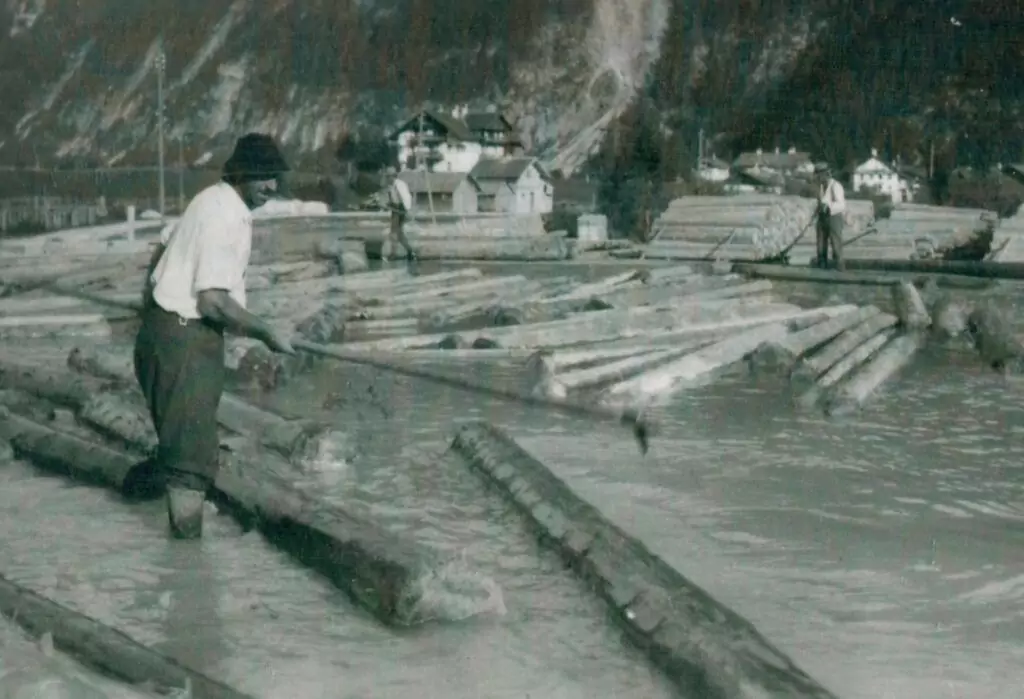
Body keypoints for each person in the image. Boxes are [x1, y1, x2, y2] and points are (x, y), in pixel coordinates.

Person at [133, 132, 297, 540]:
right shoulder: (226, 216)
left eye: (276, 178)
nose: (272, 188)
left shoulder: (210, 199)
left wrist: (152, 300)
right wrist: (266, 331)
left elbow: (164, 245)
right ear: (240, 172)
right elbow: (211, 301)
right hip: (185, 338)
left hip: (165, 331)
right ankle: (189, 569)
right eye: (263, 177)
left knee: (186, 446)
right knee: (191, 459)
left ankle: (176, 547)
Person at [814, 162, 845, 270]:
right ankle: (822, 267)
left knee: (836, 245)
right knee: (821, 245)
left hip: (834, 218)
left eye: (819, 175)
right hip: (822, 218)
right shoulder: (821, 187)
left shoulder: (836, 186)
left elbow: (841, 204)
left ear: (826, 174)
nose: (817, 178)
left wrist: (828, 207)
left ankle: (839, 268)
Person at [383, 168, 417, 262]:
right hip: (395, 210)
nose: (387, 178)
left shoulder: (399, 185)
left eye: (388, 176)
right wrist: (388, 205)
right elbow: (393, 199)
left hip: (400, 210)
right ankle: (411, 252)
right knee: (399, 233)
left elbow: (406, 198)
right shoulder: (391, 186)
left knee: (393, 233)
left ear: (393, 176)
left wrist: (407, 211)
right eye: (386, 176)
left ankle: (393, 255)